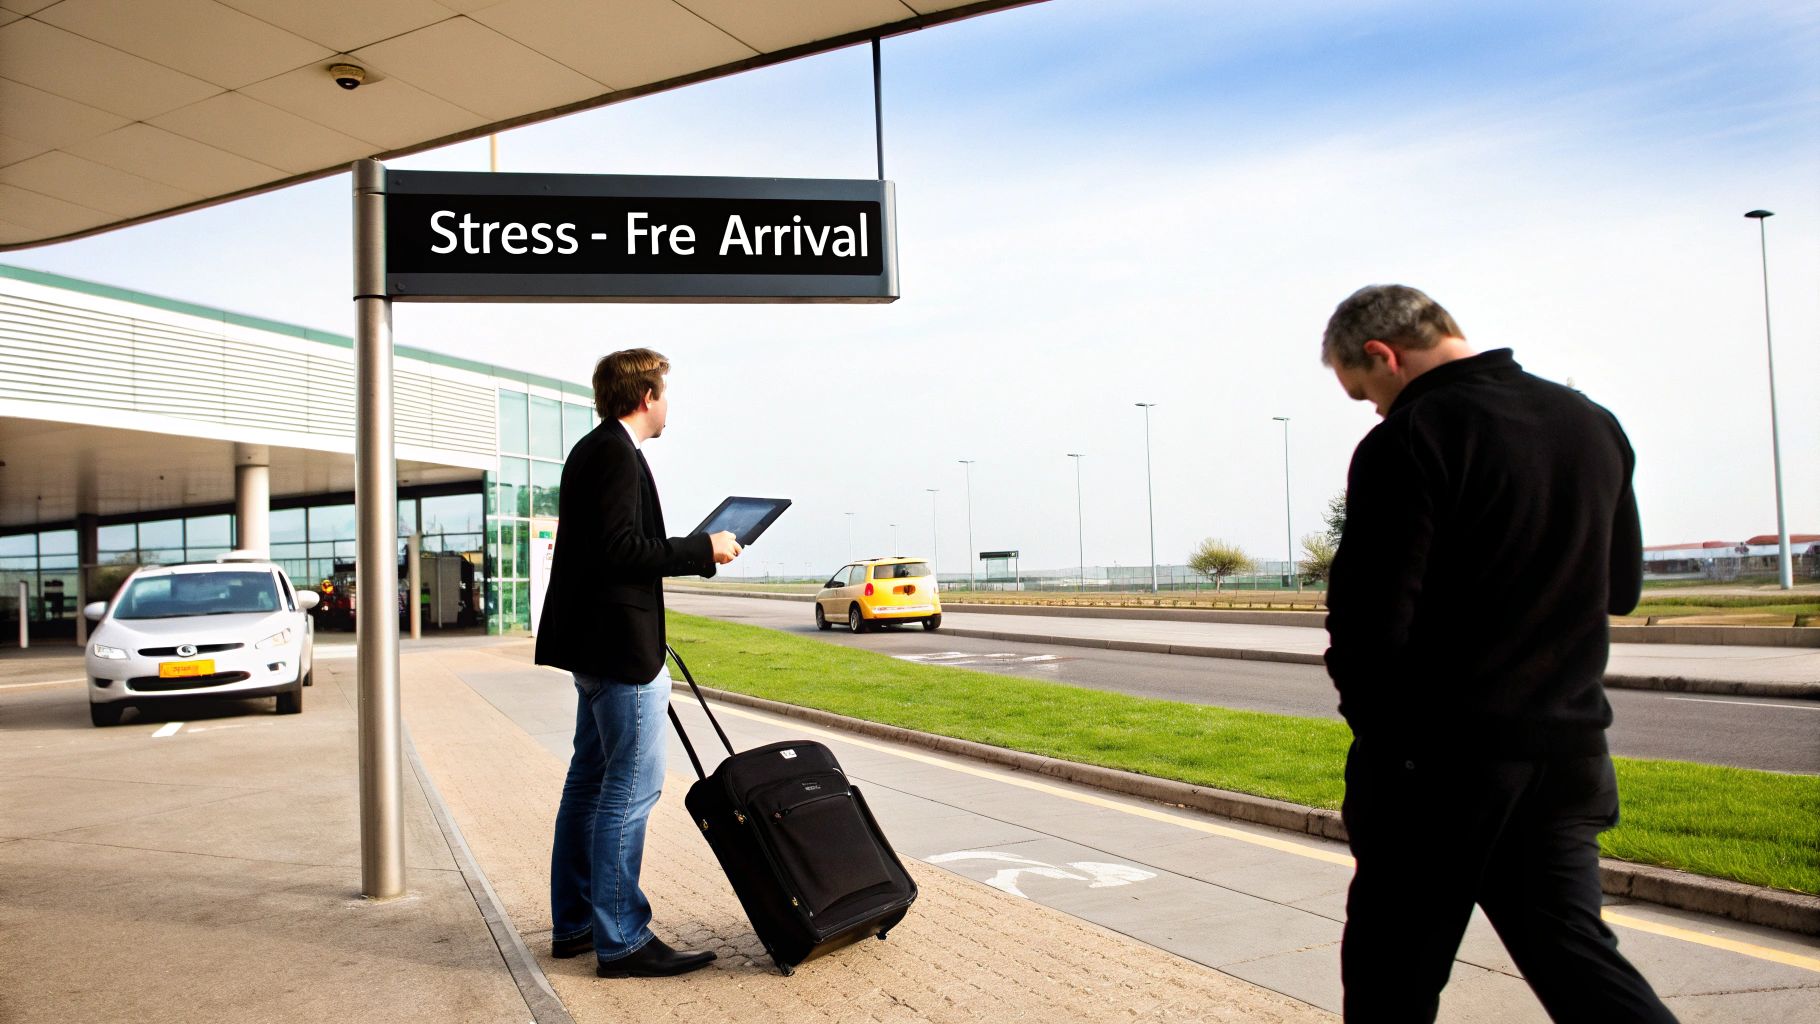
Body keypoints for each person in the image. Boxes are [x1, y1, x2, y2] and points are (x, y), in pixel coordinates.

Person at [1319, 285, 1677, 1022]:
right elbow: (1621, 590)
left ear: (1383, 355)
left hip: (1441, 766)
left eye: (1365, 392)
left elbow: (1367, 627)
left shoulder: (1410, 438)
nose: (1374, 409)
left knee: (1391, 975)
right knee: (1577, 961)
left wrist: (1383, 752)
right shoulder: (1590, 423)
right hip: (1569, 753)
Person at [536, 347, 742, 979]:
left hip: (597, 649)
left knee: (589, 785)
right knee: (628, 791)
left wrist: (689, 548)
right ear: (646, 396)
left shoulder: (594, 451)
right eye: (665, 393)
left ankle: (575, 922)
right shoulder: (616, 456)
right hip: (622, 653)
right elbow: (622, 552)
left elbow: (608, 549)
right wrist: (702, 549)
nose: (668, 404)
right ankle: (621, 938)